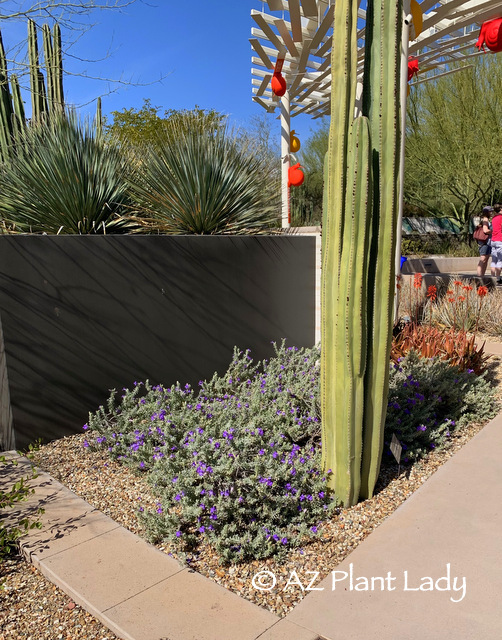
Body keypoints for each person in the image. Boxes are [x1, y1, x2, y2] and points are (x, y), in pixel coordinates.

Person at [476, 206, 493, 276]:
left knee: (485, 259)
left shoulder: (486, 220)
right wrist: (494, 231)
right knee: (483, 259)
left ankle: (482, 275)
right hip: (484, 242)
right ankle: (479, 276)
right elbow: (485, 230)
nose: (492, 213)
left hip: (487, 242)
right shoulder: (485, 220)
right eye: (490, 211)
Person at [490, 204, 502, 284]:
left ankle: (493, 277)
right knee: (500, 260)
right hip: (499, 240)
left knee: (494, 259)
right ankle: (498, 278)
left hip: (493, 240)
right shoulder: (501, 217)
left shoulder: (493, 218)